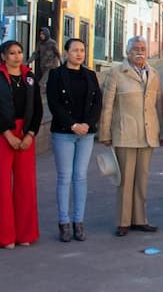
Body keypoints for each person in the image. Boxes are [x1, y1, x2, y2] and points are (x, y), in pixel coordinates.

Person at [99, 36, 163, 237]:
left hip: (148, 134)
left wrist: (162, 132)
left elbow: (158, 106)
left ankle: (140, 219)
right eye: (135, 48)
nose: (140, 51)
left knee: (142, 179)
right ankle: (123, 221)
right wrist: (105, 132)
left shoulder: (153, 74)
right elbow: (107, 105)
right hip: (125, 133)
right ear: (127, 52)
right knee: (125, 180)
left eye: (143, 48)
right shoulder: (116, 73)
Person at [0, 40, 42, 248]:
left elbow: (37, 109)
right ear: (3, 57)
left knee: (25, 184)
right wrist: (8, 134)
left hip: (26, 133)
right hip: (2, 133)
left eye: (19, 52)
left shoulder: (30, 77)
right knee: (1, 184)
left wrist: (30, 134)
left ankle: (24, 234)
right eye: (12, 53)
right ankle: (3, 236)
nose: (17, 56)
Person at [46, 38, 103, 242]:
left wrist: (87, 124)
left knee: (80, 176)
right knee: (65, 177)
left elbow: (97, 101)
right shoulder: (56, 75)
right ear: (66, 52)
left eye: (82, 50)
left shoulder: (90, 75)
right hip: (64, 132)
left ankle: (79, 222)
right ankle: (64, 222)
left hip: (86, 134)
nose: (79, 54)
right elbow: (54, 104)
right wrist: (73, 125)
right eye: (75, 50)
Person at [26, 26, 61, 95]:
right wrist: (27, 62)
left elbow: (58, 54)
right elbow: (35, 54)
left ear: (46, 34)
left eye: (43, 34)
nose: (41, 35)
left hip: (51, 67)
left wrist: (62, 65)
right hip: (43, 66)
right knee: (48, 84)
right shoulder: (40, 43)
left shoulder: (52, 43)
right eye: (40, 34)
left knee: (42, 83)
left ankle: (37, 97)